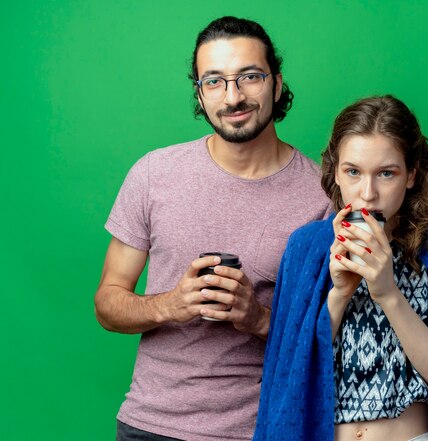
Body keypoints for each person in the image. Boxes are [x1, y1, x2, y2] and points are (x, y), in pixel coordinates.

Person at [94, 16, 331, 441]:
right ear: (199, 95)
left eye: (250, 77)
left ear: (277, 84)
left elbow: (333, 336)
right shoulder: (154, 174)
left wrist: (256, 317)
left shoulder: (322, 197)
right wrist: (170, 304)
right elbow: (108, 305)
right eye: (215, 81)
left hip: (262, 429)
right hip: (150, 426)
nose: (233, 96)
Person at [254, 95, 428, 441]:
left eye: (386, 173)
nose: (367, 194)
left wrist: (387, 293)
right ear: (335, 173)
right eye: (353, 172)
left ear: (412, 174)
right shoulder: (307, 248)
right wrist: (340, 293)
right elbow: (288, 380)